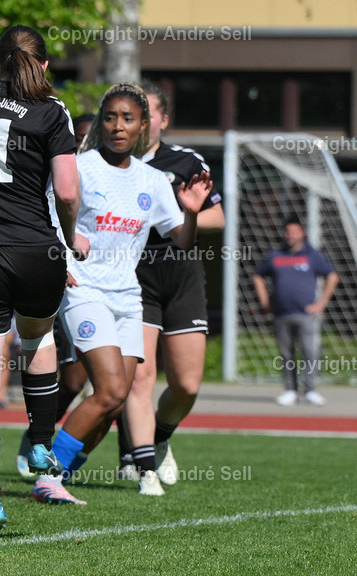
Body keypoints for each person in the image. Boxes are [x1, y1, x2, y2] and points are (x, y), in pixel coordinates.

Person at [0, 25, 84, 543]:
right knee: (38, 335)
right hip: (37, 249)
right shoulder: (53, 109)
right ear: (43, 65)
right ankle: (43, 442)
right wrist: (69, 240)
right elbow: (67, 192)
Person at [44, 82, 211, 501]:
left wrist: (190, 213)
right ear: (101, 123)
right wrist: (57, 259)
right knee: (112, 391)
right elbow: (46, 216)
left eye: (129, 119)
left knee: (116, 402)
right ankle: (48, 474)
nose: (119, 126)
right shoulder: (79, 167)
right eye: (111, 117)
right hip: (85, 292)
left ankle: (61, 470)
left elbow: (181, 240)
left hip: (127, 298)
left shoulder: (153, 180)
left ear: (144, 126)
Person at [118, 82, 225, 485]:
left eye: (146, 114)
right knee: (140, 378)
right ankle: (143, 468)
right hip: (132, 275)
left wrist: (174, 214)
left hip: (180, 275)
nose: (137, 123)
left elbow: (217, 219)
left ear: (163, 119)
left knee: (186, 385)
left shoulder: (185, 161)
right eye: (129, 115)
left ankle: (160, 437)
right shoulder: (108, 162)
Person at [15, 112, 96, 479]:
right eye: (76, 137)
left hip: (107, 289)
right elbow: (50, 216)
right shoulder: (56, 174)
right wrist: (58, 263)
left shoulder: (119, 175)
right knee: (77, 382)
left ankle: (139, 460)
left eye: (87, 138)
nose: (81, 144)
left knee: (118, 387)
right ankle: (39, 438)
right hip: (63, 283)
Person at [253, 216, 339, 407]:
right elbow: (258, 276)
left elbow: (332, 276)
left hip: (306, 314)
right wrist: (266, 301)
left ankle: (310, 390)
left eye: (294, 231)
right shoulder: (276, 255)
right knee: (286, 354)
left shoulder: (312, 255)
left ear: (302, 233)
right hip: (281, 314)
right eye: (288, 232)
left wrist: (321, 303)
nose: (291, 235)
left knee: (309, 352)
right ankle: (290, 390)